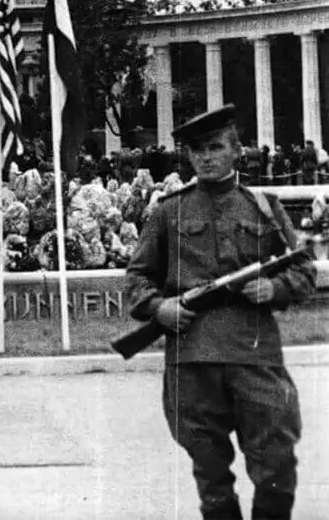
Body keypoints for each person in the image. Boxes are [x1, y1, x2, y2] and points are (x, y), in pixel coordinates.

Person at [124, 104, 315, 520]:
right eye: (197, 151)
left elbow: (303, 270)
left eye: (214, 147)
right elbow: (136, 278)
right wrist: (160, 307)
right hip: (193, 357)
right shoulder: (168, 212)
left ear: (236, 151)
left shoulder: (263, 207)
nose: (206, 157)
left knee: (276, 466)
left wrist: (275, 287)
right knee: (210, 478)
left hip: (254, 353)